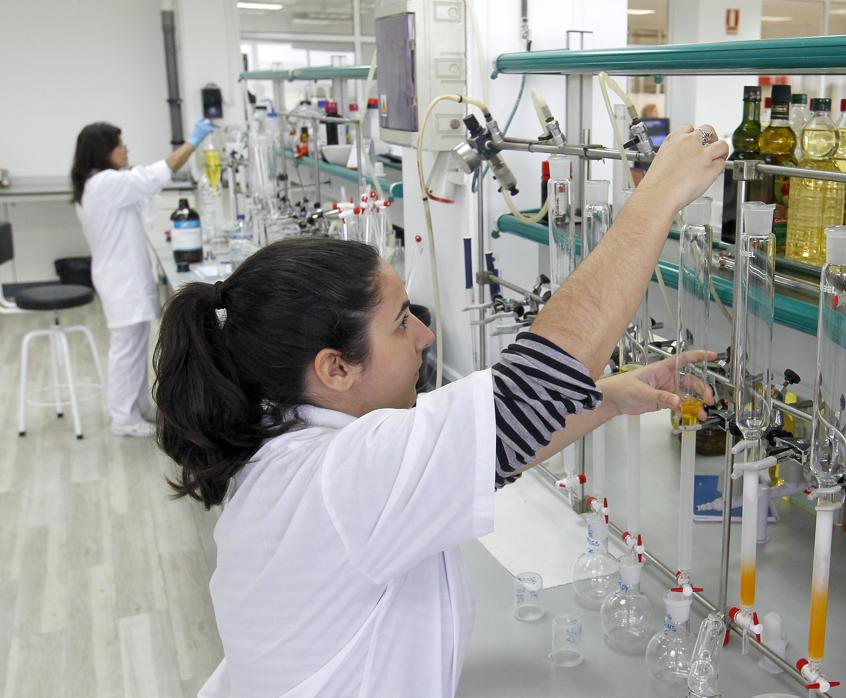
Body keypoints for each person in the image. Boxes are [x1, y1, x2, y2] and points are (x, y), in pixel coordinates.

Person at [152, 124, 728, 697]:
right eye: (403, 321)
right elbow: (531, 389)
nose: (426, 335)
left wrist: (605, 396)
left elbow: (486, 448)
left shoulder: (291, 446)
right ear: (335, 368)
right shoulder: (341, 478)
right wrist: (658, 195)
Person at [71, 118, 216, 437]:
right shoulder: (106, 183)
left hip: (122, 277)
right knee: (126, 349)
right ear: (103, 151)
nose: (126, 150)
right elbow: (155, 175)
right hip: (121, 280)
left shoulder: (98, 184)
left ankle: (137, 407)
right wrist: (192, 142)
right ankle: (123, 418)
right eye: (120, 145)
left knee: (134, 345)